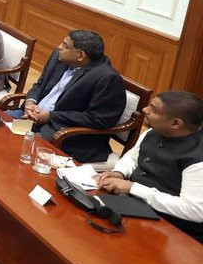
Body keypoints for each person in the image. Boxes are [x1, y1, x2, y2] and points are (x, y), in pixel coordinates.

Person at [97, 91, 203, 242]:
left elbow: (194, 210)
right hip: (133, 206)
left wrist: (132, 188)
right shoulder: (154, 131)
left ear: (175, 124)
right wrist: (120, 172)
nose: (145, 110)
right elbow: (133, 157)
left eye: (154, 109)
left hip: (172, 230)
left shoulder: (198, 159)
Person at [13, 30, 126, 163]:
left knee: (16, 149)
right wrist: (30, 103)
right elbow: (40, 84)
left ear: (80, 55)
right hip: (30, 117)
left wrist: (50, 116)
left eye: (65, 46)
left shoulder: (107, 79)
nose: (59, 47)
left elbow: (98, 119)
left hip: (65, 135)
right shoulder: (59, 57)